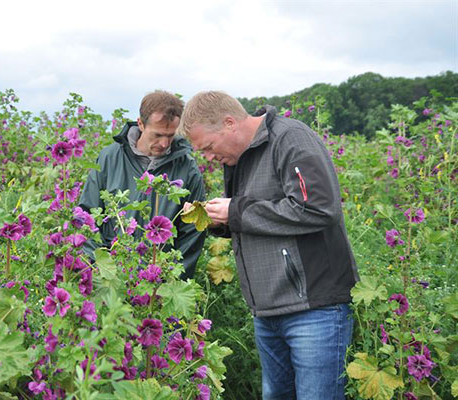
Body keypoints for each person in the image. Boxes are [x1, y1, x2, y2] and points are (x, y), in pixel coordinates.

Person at [179, 91, 359, 399]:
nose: (208, 157)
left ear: (229, 123)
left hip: (314, 308)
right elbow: (259, 219)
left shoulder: (292, 139)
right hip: (267, 312)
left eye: (208, 147)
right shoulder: (239, 155)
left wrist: (235, 210)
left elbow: (318, 208)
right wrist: (219, 221)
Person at [79, 90, 206, 279]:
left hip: (159, 282)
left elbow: (192, 235)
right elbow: (87, 216)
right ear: (140, 123)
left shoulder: (187, 168)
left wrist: (168, 280)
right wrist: (98, 270)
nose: (164, 144)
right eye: (157, 134)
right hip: (111, 277)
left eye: (170, 136)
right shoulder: (109, 158)